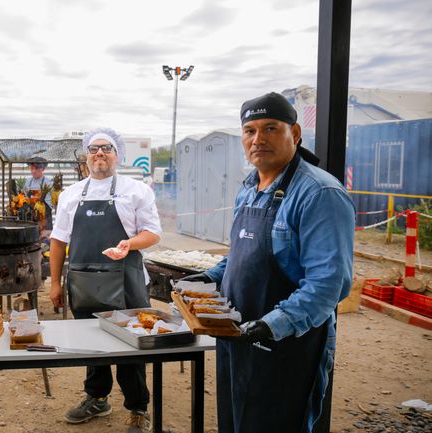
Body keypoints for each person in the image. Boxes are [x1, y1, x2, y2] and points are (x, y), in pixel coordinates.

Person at [181, 92, 354, 433]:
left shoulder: (320, 194)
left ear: (296, 133)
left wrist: (271, 325)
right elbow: (243, 255)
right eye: (250, 130)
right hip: (237, 337)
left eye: (271, 128)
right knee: (236, 421)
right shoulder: (249, 188)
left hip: (286, 347)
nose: (258, 139)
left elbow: (328, 284)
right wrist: (210, 277)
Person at [49, 127, 162, 432]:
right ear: (86, 155)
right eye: (94, 148)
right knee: (92, 344)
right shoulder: (71, 195)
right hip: (83, 283)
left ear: (117, 154)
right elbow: (58, 242)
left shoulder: (137, 191)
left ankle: (138, 407)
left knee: (130, 345)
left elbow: (152, 232)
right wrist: (55, 283)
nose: (100, 153)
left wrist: (129, 244)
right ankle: (98, 398)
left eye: (107, 148)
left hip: (126, 281)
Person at [25, 156, 54, 238]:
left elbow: (51, 205)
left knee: (45, 241)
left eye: (36, 169)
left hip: (45, 219)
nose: (33, 171)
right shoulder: (28, 182)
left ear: (42, 169)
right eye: (31, 169)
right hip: (31, 218)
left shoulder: (48, 183)